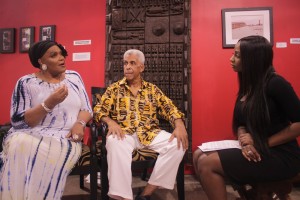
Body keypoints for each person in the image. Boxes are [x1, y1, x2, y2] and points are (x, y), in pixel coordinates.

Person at [193, 35, 300, 200]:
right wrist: (243, 135)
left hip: (281, 154)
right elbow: (241, 121)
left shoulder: (276, 84)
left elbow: (298, 124)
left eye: (237, 55)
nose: (231, 59)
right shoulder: (249, 85)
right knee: (198, 154)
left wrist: (260, 143)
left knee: (207, 164)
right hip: (258, 147)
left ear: (252, 59)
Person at [0, 40, 93, 200]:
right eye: (53, 55)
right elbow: (18, 121)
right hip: (30, 133)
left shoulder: (74, 78)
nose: (61, 58)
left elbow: (87, 109)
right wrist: (49, 103)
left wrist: (80, 123)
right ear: (41, 62)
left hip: (64, 137)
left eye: (61, 53)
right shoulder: (26, 83)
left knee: (43, 152)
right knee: (21, 144)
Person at [94, 49, 188, 200]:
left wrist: (179, 125)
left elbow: (169, 108)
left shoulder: (152, 90)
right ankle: (122, 197)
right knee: (113, 141)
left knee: (179, 143)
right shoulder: (114, 89)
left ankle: (146, 194)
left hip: (149, 133)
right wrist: (110, 122)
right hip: (125, 134)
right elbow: (98, 110)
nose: (128, 67)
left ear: (141, 67)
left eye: (132, 63)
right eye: (125, 63)